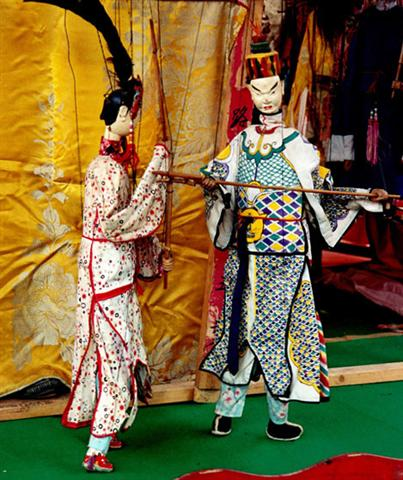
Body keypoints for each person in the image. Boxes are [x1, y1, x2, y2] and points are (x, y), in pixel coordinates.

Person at [199, 46, 388, 441]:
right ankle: (225, 411)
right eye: (258, 90)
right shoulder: (240, 142)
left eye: (272, 89)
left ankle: (278, 418)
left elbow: (325, 191)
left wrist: (365, 197)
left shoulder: (299, 146)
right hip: (245, 253)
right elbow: (219, 174)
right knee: (239, 329)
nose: (266, 98)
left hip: (285, 255)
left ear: (283, 90)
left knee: (276, 332)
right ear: (250, 94)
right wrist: (212, 183)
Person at [61, 80, 170, 472]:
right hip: (106, 275)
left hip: (110, 273)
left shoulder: (111, 166)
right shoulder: (106, 170)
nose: (132, 122)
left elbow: (125, 225)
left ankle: (108, 427)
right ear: (116, 117)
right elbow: (115, 224)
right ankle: (96, 449)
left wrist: (152, 252)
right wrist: (155, 176)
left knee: (112, 352)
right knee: (116, 357)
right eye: (128, 115)